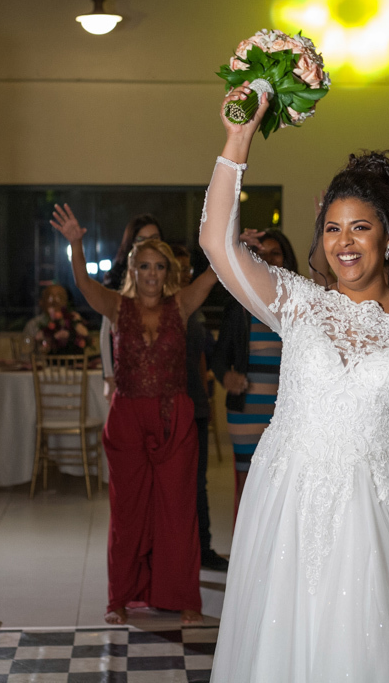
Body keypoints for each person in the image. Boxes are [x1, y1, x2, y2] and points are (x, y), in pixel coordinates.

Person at [203, 85, 389, 682]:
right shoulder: (297, 303)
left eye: (360, 228)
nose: (344, 242)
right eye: (333, 229)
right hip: (291, 506)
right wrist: (239, 136)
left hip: (388, 514)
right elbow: (217, 241)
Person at [50, 207, 217, 626]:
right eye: (144, 266)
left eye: (159, 266)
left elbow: (216, 273)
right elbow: (83, 282)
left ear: (168, 272)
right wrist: (76, 244)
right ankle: (119, 599)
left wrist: (235, 242)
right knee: (128, 515)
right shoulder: (116, 306)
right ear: (133, 269)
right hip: (127, 420)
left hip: (173, 418)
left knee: (179, 512)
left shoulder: (180, 306)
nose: (152, 273)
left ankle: (184, 599)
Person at [209, 228, 299, 513]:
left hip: (289, 415)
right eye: (261, 254)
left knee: (285, 494)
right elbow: (218, 358)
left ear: (287, 261)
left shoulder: (298, 305)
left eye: (276, 254)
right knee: (250, 492)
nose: (270, 260)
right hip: (247, 412)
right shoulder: (239, 304)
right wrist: (226, 377)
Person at [171, 244, 229, 573]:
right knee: (175, 483)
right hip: (171, 408)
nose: (182, 275)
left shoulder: (196, 310)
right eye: (176, 269)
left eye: (185, 270)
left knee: (198, 481)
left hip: (196, 404)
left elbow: (208, 349)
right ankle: (177, 550)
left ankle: (202, 548)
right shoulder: (167, 308)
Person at [100, 215, 163, 398]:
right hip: (127, 374)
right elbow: (106, 333)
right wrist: (109, 377)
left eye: (155, 238)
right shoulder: (118, 280)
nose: (149, 244)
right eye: (141, 240)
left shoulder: (167, 276)